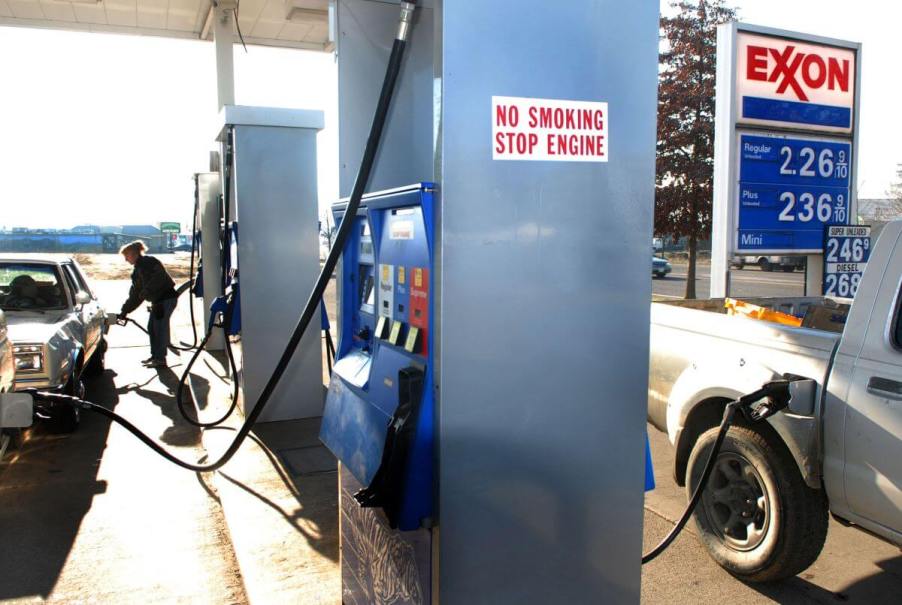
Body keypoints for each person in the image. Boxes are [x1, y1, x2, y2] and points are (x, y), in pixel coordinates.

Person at [118, 240, 178, 368]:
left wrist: (147, 290)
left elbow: (160, 277)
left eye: (126, 256)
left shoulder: (150, 262)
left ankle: (160, 359)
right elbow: (135, 295)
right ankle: (155, 356)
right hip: (158, 301)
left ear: (134, 254)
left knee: (159, 328)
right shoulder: (136, 272)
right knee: (152, 328)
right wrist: (125, 310)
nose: (126, 260)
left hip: (166, 298)